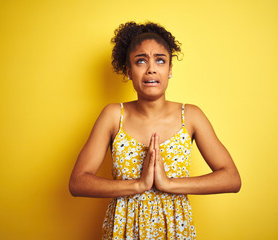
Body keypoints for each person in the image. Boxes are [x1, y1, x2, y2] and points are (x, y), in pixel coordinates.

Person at [69, 21, 241, 239]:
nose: (151, 68)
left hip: (175, 231)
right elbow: (77, 183)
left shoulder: (191, 116)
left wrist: (167, 184)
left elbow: (231, 179)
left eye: (160, 60)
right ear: (129, 71)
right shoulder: (113, 116)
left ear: (169, 70)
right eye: (141, 61)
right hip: (124, 232)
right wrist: (138, 185)